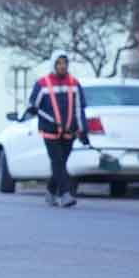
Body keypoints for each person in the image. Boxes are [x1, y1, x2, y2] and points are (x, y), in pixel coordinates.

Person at [26, 52, 89, 208]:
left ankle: (50, 191)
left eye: (64, 63)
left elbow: (79, 108)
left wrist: (83, 131)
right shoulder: (42, 84)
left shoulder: (74, 83)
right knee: (58, 161)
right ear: (53, 64)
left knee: (61, 163)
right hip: (50, 130)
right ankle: (65, 194)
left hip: (69, 132)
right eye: (59, 63)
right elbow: (33, 105)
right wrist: (32, 109)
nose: (62, 66)